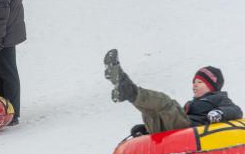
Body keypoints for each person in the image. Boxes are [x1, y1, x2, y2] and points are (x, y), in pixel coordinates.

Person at [103, 49, 243, 137]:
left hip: (190, 129)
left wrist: (220, 113)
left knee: (165, 102)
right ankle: (123, 85)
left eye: (200, 82)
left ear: (212, 86)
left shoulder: (218, 98)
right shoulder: (191, 103)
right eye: (194, 82)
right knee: (151, 111)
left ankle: (125, 88)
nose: (194, 85)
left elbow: (236, 110)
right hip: (172, 132)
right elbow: (170, 119)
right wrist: (145, 130)